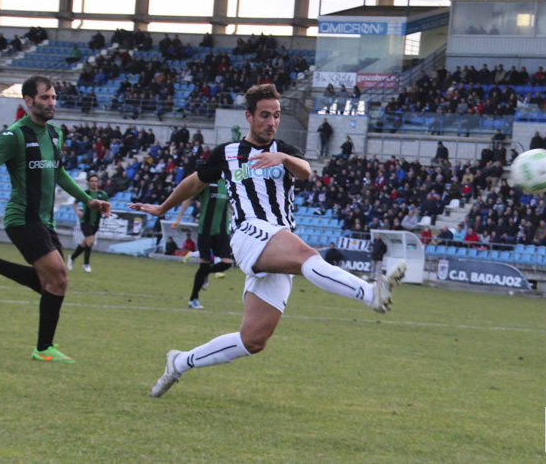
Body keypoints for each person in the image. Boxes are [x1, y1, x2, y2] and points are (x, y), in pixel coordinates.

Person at [130, 84, 404, 398]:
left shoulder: (285, 151)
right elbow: (195, 181)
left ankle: (179, 362)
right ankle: (370, 292)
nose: (270, 122)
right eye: (264, 115)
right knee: (306, 255)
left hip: (277, 238)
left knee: (253, 341)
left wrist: (283, 157)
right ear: (249, 116)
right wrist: (163, 207)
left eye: (275, 116)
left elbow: (305, 173)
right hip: (249, 232)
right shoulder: (227, 153)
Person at [0, 75, 111, 364]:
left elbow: (59, 173)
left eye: (54, 97)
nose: (51, 102)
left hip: (46, 221)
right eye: (45, 98)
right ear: (28, 101)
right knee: (60, 278)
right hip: (22, 218)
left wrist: (87, 199)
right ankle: (43, 349)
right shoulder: (14, 136)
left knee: (49, 284)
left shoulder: (56, 134)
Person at [171, 178, 234, 310]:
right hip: (205, 229)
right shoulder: (205, 181)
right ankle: (193, 299)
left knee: (227, 263)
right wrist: (178, 218)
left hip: (222, 230)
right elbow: (188, 197)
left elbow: (231, 204)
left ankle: (206, 274)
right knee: (204, 263)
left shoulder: (228, 183)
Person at [68, 173, 108, 273]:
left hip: (96, 222)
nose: (94, 183)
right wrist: (78, 211)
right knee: (90, 241)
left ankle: (72, 257)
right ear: (88, 183)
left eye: (95, 181)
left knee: (85, 242)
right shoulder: (85, 193)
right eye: (92, 181)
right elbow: (75, 202)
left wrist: (105, 211)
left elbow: (107, 206)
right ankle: (86, 264)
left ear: (98, 182)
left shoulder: (102, 194)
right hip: (85, 221)